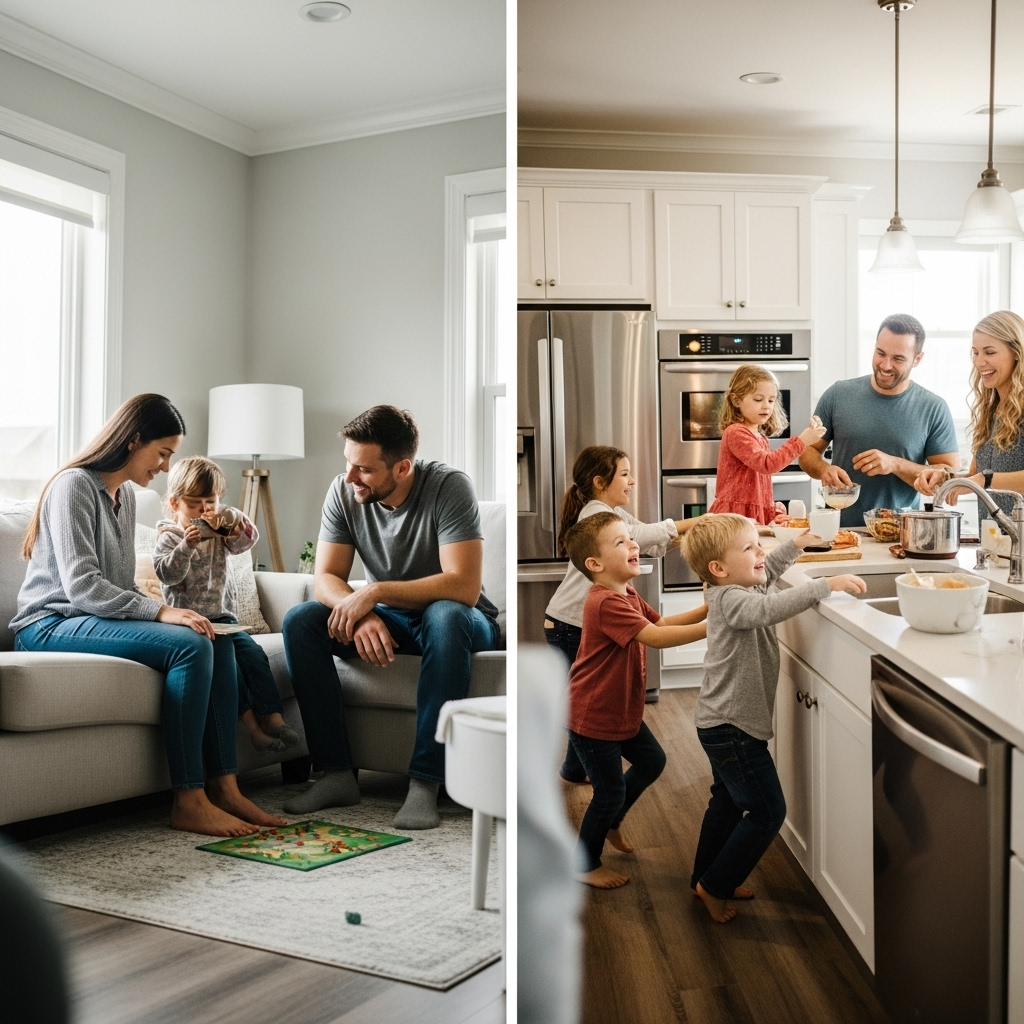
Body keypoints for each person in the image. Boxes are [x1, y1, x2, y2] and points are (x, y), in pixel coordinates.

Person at [11, 394, 286, 837]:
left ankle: (226, 788)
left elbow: (119, 586)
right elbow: (83, 586)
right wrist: (161, 611)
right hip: (48, 624)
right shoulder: (74, 486)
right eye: (162, 452)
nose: (163, 466)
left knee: (207, 632)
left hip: (92, 618)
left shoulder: (123, 498)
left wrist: (171, 612)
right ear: (133, 440)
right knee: (192, 642)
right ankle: (190, 799)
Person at [281, 405, 501, 829]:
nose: (350, 477)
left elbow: (463, 586)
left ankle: (425, 783)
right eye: (348, 463)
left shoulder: (448, 486)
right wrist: (360, 613)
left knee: (445, 615)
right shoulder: (344, 491)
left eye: (363, 469)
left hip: (464, 622)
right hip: (393, 619)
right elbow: (326, 576)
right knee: (301, 621)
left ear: (402, 468)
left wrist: (375, 592)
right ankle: (335, 773)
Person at [680, 513, 866, 923]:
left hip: (720, 723)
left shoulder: (733, 584)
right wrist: (825, 585)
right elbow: (769, 608)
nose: (760, 552)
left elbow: (765, 576)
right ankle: (715, 885)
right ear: (719, 568)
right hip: (733, 729)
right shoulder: (732, 600)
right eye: (750, 548)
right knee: (767, 813)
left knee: (726, 804)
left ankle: (705, 878)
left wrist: (794, 546)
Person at [562, 511, 708, 890]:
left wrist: (710, 608)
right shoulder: (605, 602)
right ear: (595, 564)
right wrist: (715, 626)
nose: (634, 545)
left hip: (620, 709)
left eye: (631, 538)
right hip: (593, 715)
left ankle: (611, 821)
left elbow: (660, 624)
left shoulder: (625, 592)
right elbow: (655, 639)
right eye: (621, 542)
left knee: (652, 761)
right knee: (609, 790)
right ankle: (584, 862)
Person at [545, 445, 700, 784]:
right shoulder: (596, 513)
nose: (633, 481)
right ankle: (577, 769)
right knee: (583, 700)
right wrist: (702, 519)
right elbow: (643, 537)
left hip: (574, 622)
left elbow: (653, 543)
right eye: (625, 474)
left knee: (580, 698)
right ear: (600, 482)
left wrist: (696, 532)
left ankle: (573, 770)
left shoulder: (612, 513)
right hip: (569, 624)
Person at [152, 455, 300, 755]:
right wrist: (187, 546)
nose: (204, 510)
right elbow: (167, 573)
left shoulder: (218, 531)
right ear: (174, 503)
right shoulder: (169, 537)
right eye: (195, 504)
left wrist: (231, 518)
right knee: (227, 668)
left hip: (224, 619)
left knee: (254, 656)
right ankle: (253, 730)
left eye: (211, 501)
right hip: (189, 624)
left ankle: (273, 717)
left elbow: (246, 541)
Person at [799, 313, 959, 526]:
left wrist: (895, 464)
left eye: (898, 358)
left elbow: (948, 475)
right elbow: (806, 451)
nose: (885, 365)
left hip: (902, 536)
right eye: (880, 353)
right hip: (840, 531)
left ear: (917, 359)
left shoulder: (933, 407)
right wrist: (824, 470)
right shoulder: (838, 394)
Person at [916, 311, 1024, 520]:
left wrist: (983, 480)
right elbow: (976, 474)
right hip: (997, 541)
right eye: (975, 352)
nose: (979, 361)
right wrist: (946, 478)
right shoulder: (992, 409)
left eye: (989, 352)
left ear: (1017, 352)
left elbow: (984, 479)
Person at [708, 363, 826, 524]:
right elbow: (767, 464)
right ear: (736, 400)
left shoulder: (760, 437)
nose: (766, 406)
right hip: (734, 520)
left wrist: (770, 510)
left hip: (749, 518)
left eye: (771, 400)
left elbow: (758, 484)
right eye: (758, 399)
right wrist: (802, 441)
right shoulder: (736, 433)